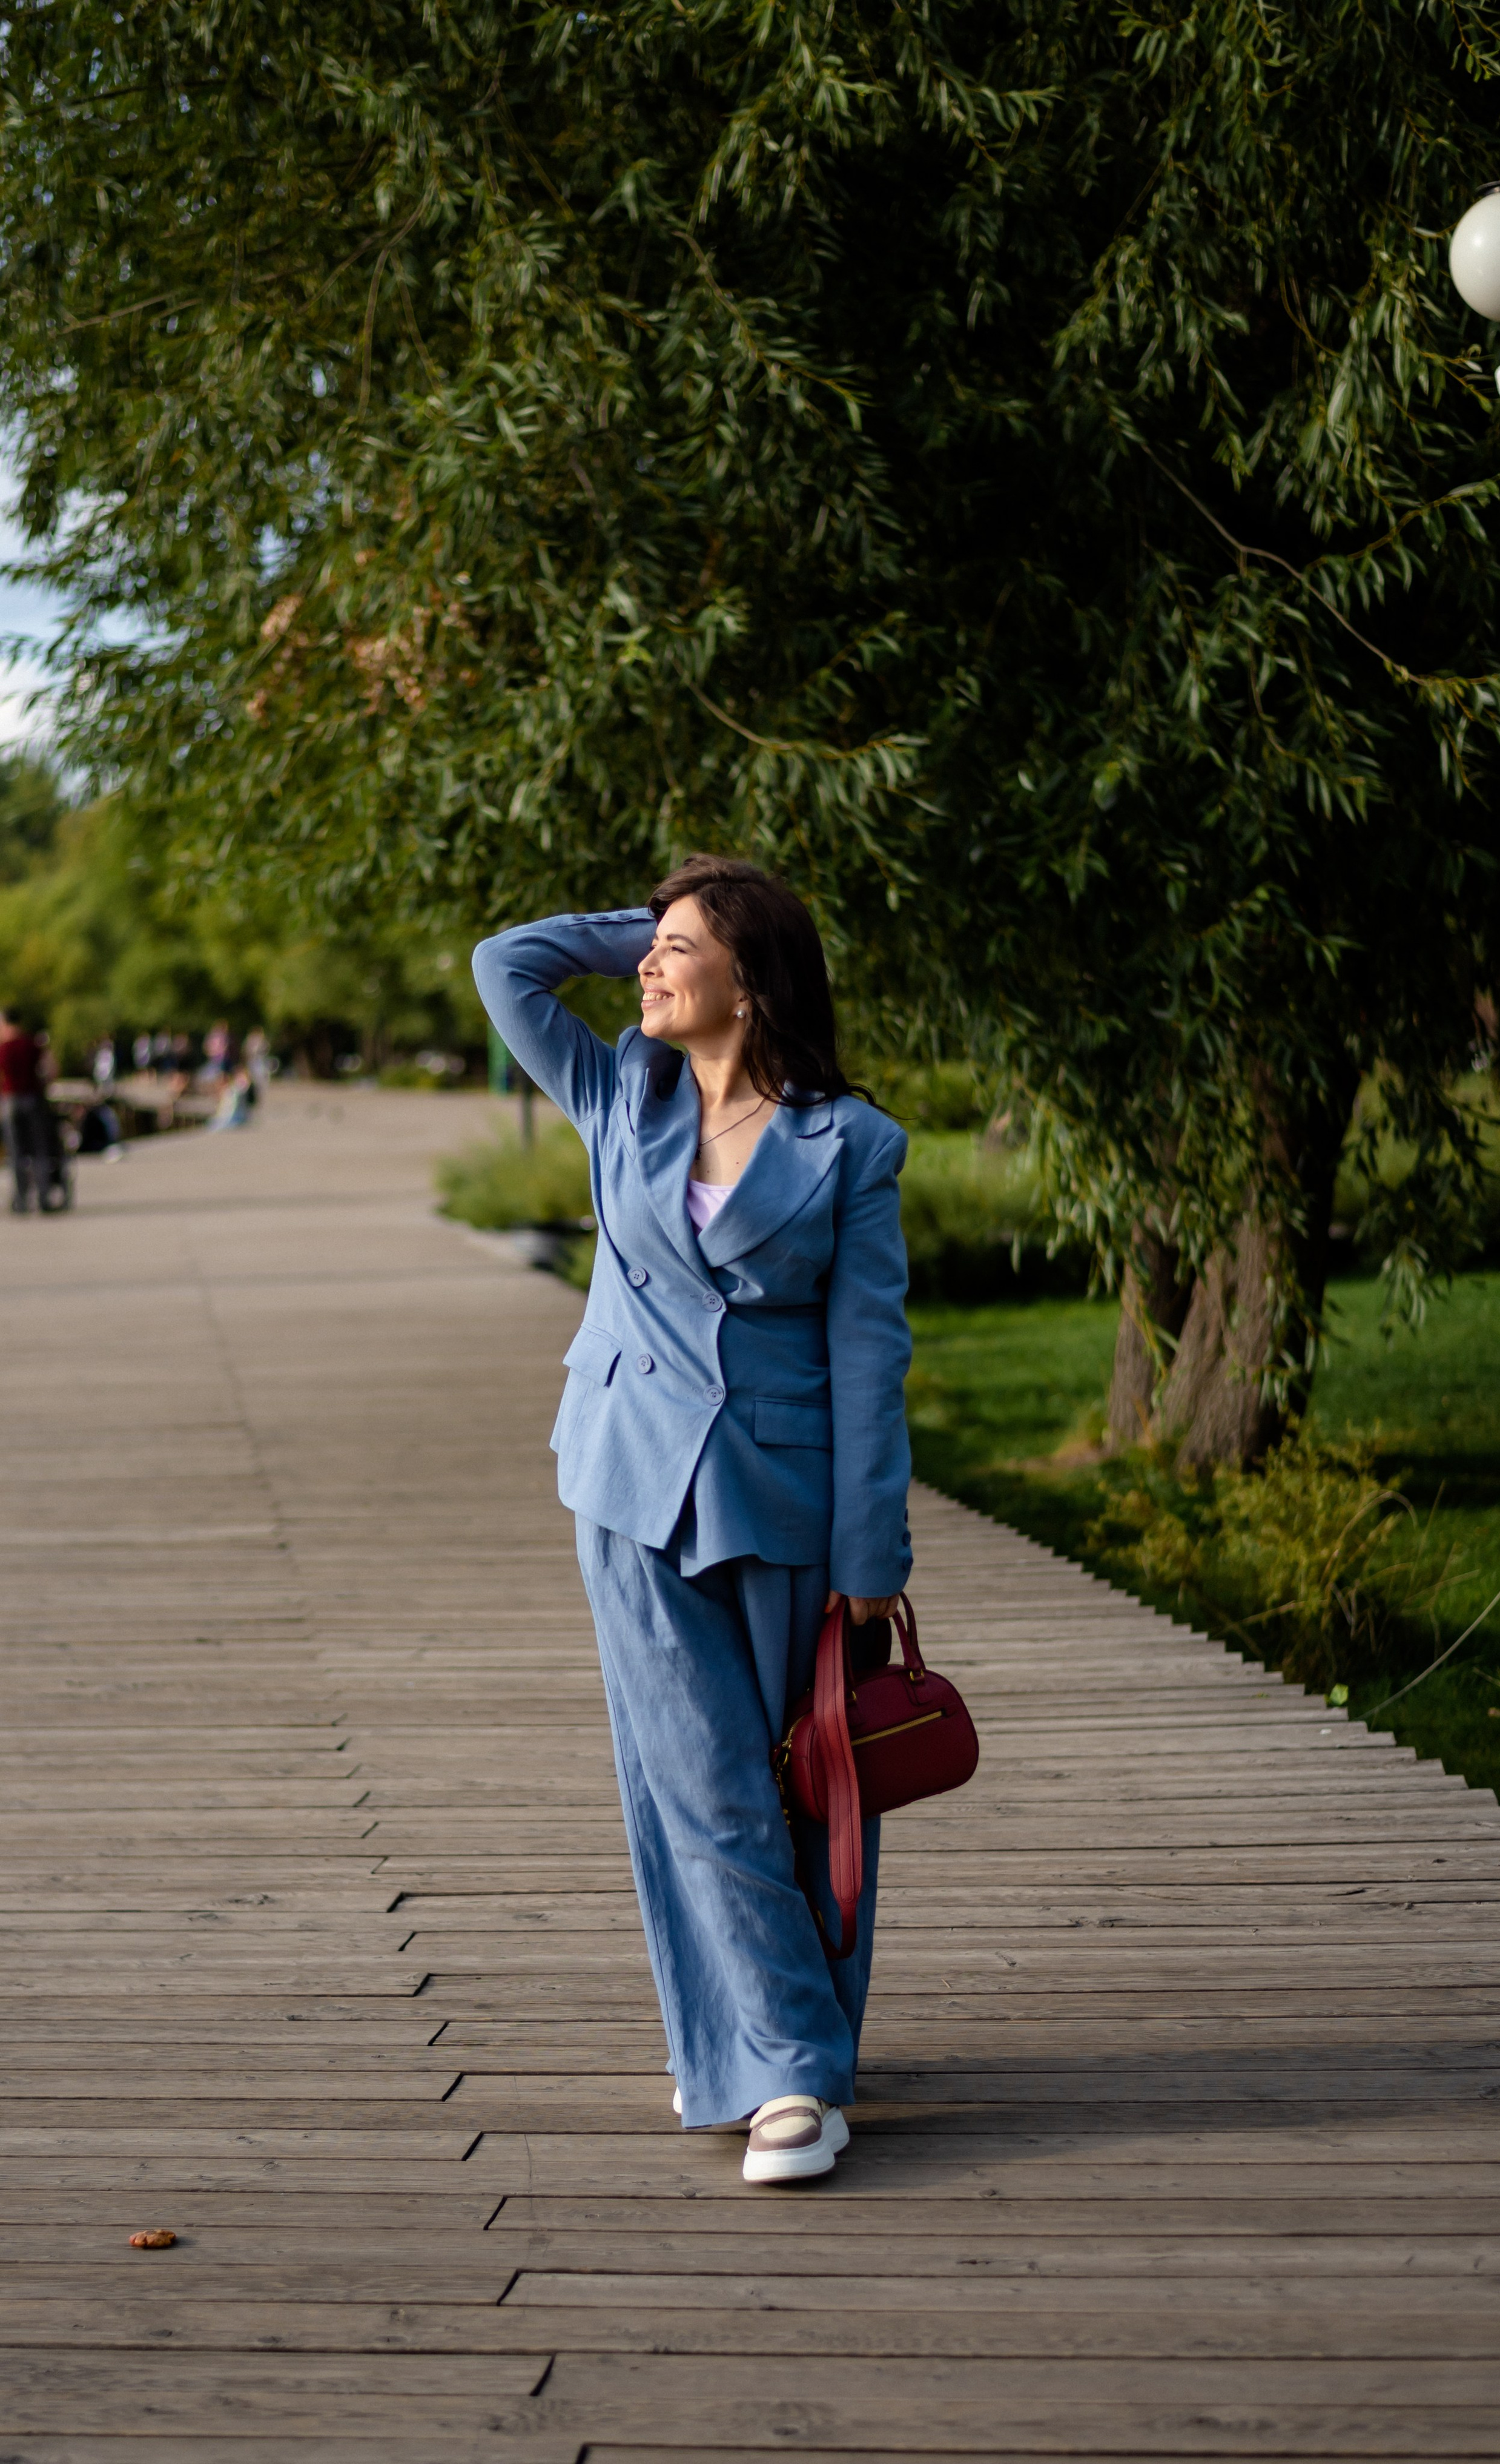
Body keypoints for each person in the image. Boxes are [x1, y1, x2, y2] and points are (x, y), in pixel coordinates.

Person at [473, 856, 912, 2187]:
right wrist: (667, 921)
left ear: (752, 977)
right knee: (699, 1779)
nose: (653, 968)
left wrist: (868, 1551)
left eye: (681, 950)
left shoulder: (853, 1144)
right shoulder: (622, 1093)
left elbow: (869, 1352)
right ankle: (784, 2074)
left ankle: (778, 2039)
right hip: (624, 1483)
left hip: (779, 1498)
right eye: (648, 949)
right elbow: (507, 963)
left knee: (799, 1783)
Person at [0, 1009, 58, 1212]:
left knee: (15, 1152)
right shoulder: (32, 1043)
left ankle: (21, 1200)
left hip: (10, 1100)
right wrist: (43, 1086)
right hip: (33, 1098)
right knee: (39, 1149)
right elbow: (51, 1069)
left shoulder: (3, 1048)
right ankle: (44, 1197)